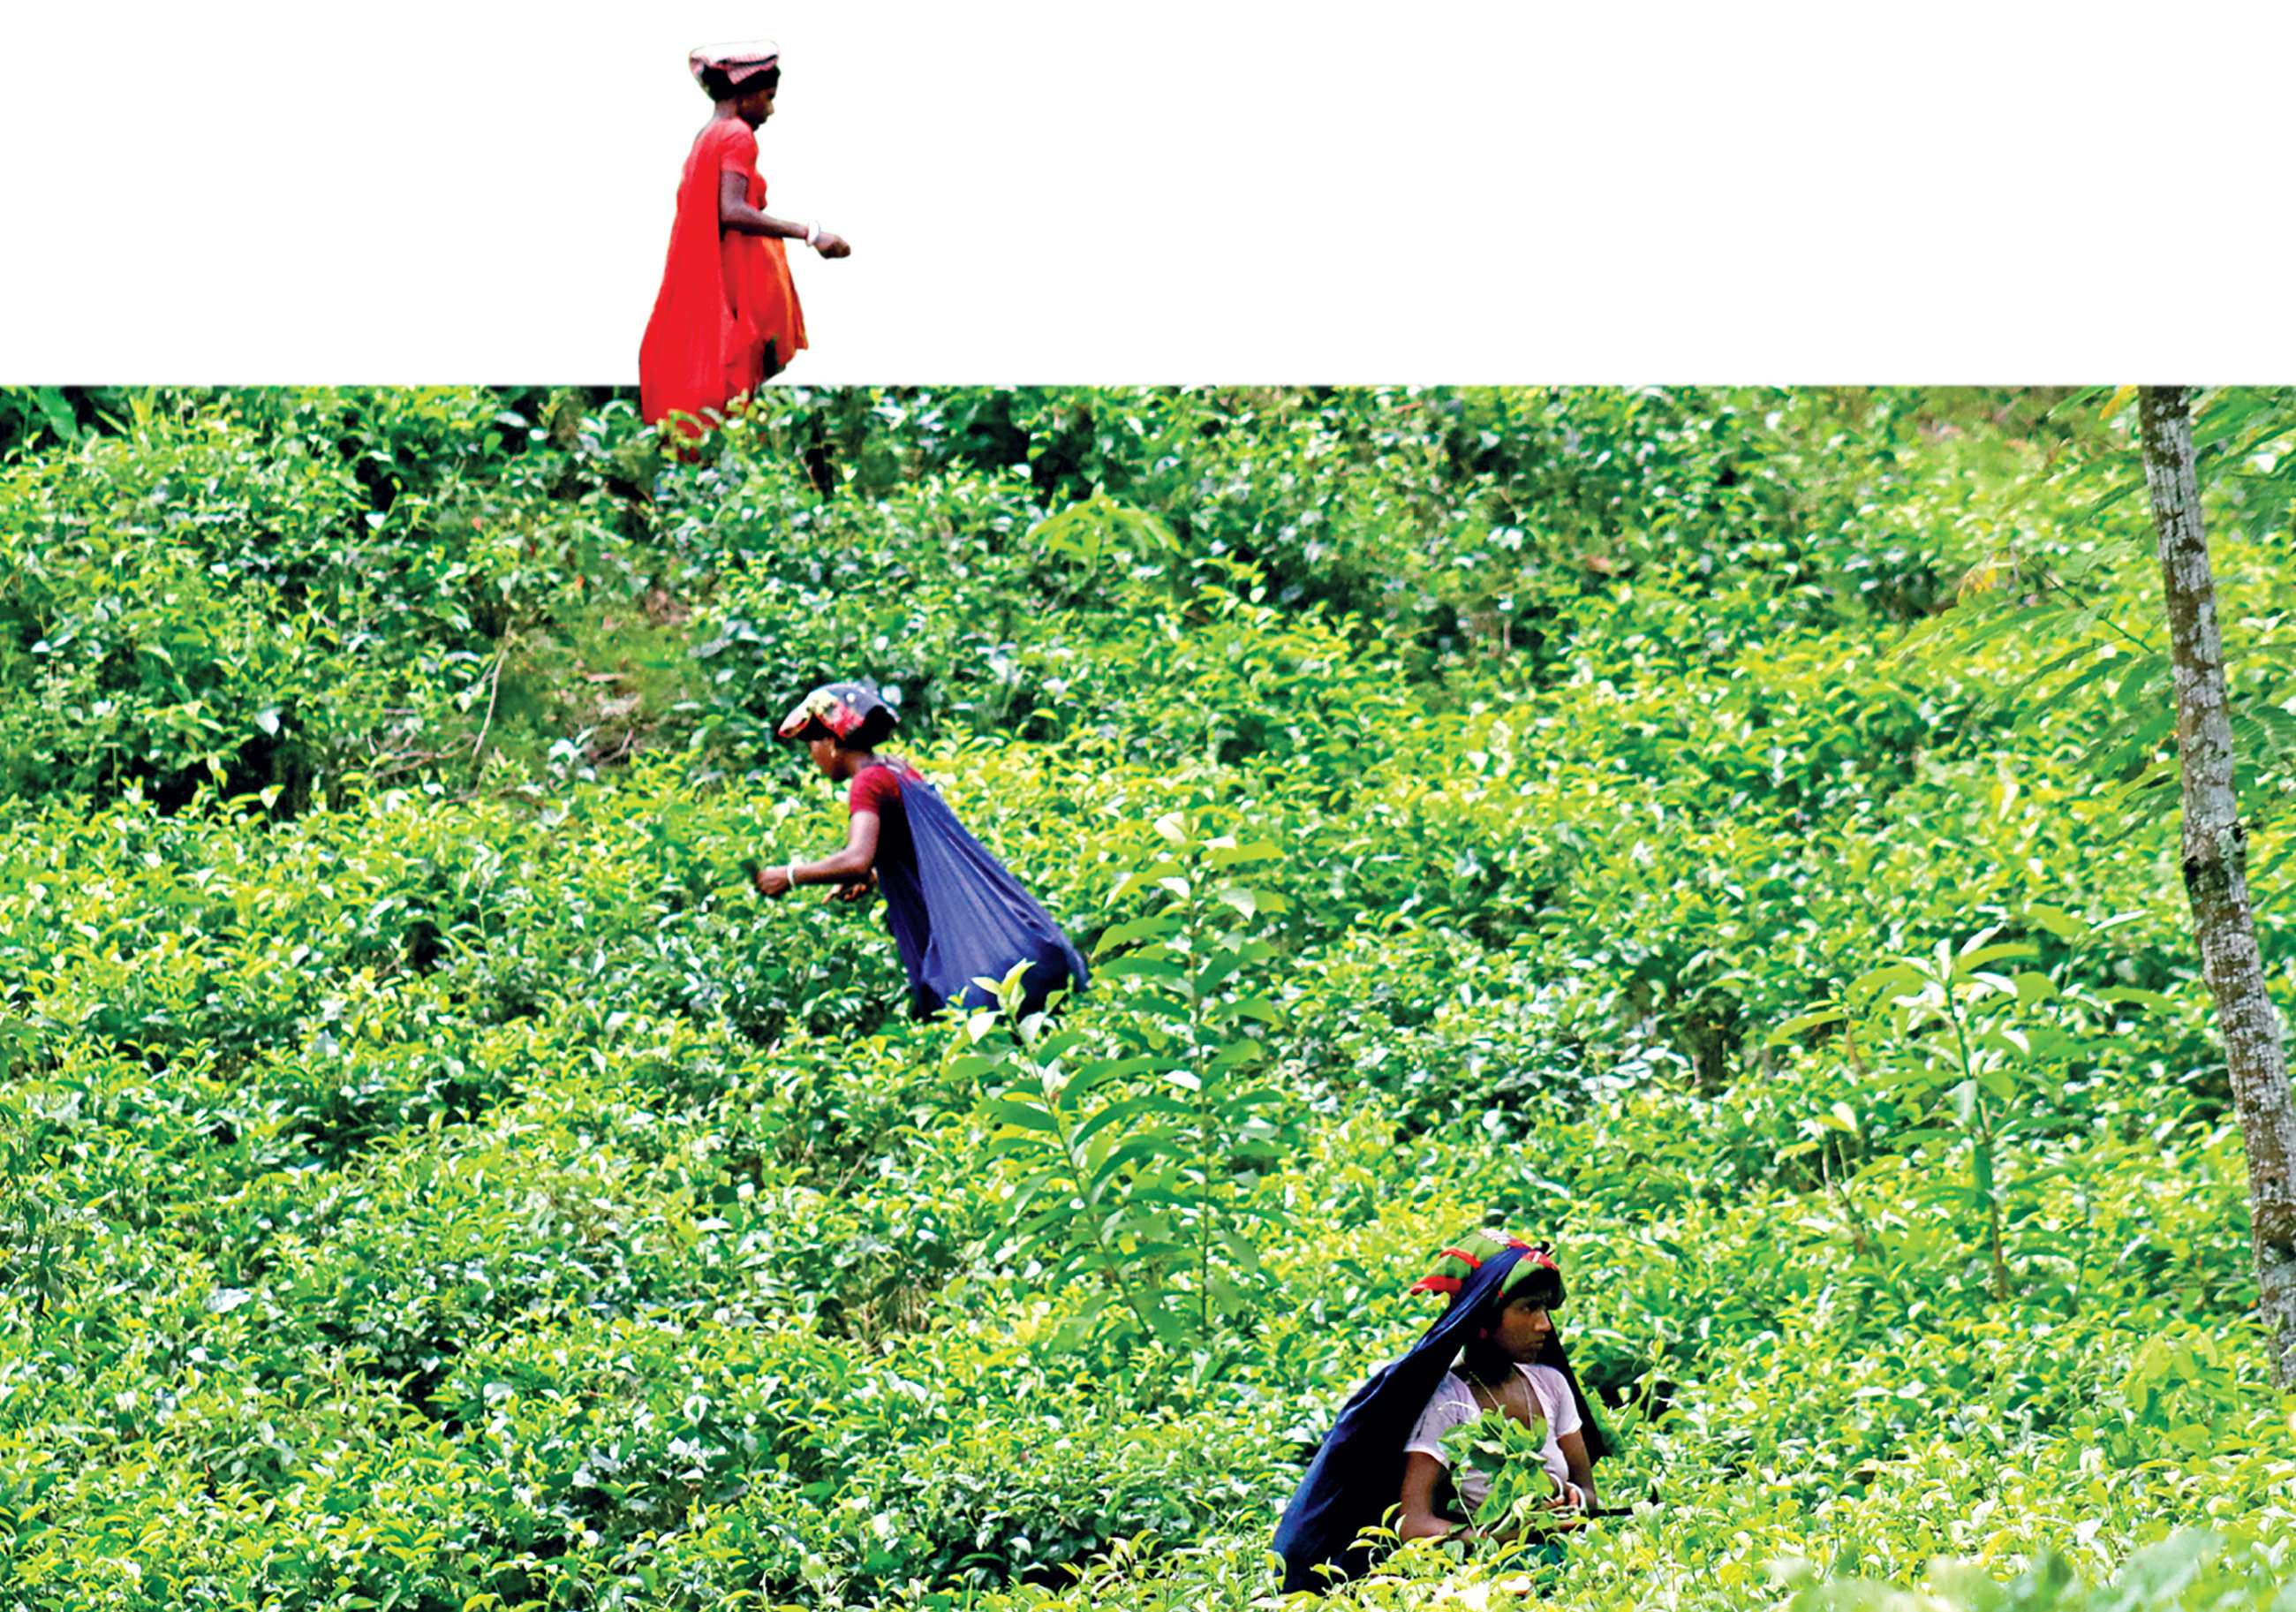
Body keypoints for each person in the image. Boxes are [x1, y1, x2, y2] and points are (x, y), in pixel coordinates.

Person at [1271, 1232, 1608, 1594]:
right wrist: (1502, 1538)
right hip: (1490, 1575)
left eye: (1544, 1309)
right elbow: (1413, 1525)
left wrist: (1574, 1497)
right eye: (1528, 1308)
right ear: (1484, 1317)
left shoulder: (1551, 1386)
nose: (1544, 1325)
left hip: (1571, 1563)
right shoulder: (1448, 1402)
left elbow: (1589, 1492)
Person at [754, 681, 1090, 1019]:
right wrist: (876, 874)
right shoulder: (896, 768)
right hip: (1030, 943)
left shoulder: (867, 782)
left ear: (831, 742)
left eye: (811, 743)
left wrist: (789, 875)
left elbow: (856, 859)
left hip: (981, 964)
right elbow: (920, 845)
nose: (812, 756)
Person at [638, 41, 851, 439]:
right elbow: (732, 210)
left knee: (711, 364)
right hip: (737, 278)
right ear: (745, 93)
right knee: (736, 376)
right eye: (768, 98)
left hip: (721, 270)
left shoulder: (708, 135)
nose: (771, 110)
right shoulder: (738, 135)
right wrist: (812, 234)